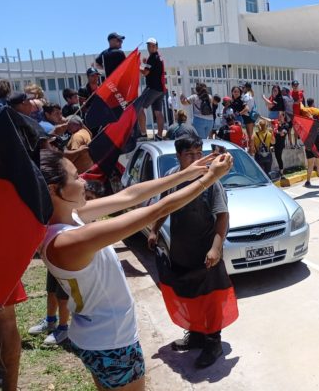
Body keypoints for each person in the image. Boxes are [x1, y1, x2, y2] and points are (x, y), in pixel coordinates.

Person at [37, 145, 232, 390]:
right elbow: (156, 209)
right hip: (111, 342)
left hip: (99, 337)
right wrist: (209, 179)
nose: (84, 181)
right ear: (53, 190)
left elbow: (129, 196)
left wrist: (187, 174)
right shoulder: (66, 241)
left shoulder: (69, 217)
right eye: (76, 177)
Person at [148, 136, 237, 369]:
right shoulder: (174, 178)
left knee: (210, 300)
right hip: (181, 252)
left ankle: (213, 343)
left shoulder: (211, 181)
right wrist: (154, 230)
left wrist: (216, 248)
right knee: (187, 295)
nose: (197, 159)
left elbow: (222, 216)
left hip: (206, 255)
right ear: (178, 156)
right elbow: (164, 207)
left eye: (199, 153)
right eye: (190, 154)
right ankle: (196, 335)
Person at [137, 38, 166, 139]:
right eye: (149, 45)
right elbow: (150, 69)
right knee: (158, 112)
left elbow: (145, 72)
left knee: (139, 108)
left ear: (156, 47)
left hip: (152, 88)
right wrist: (144, 64)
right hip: (161, 89)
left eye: (153, 46)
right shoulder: (159, 57)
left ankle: (143, 134)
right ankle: (159, 135)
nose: (150, 47)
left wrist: (138, 66)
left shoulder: (153, 58)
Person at [302, 121, 319, 188]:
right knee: (318, 165)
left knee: (312, 165)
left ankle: (308, 181)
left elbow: (303, 137)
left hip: (311, 148)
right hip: (316, 148)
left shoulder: (307, 127)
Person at [273, 112, 290, 177]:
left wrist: (276, 130)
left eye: (280, 116)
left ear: (283, 116)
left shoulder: (286, 125)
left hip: (280, 143)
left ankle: (281, 172)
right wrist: (260, 117)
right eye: (279, 116)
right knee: (277, 157)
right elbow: (269, 120)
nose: (279, 117)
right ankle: (280, 170)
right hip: (275, 142)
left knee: (279, 157)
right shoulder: (277, 122)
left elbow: (282, 133)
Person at [242, 82, 257, 147]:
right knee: (250, 134)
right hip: (252, 116)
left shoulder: (246, 96)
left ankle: (252, 149)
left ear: (246, 88)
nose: (242, 89)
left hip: (248, 116)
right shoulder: (251, 95)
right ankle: (251, 149)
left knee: (250, 135)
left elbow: (247, 108)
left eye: (243, 88)